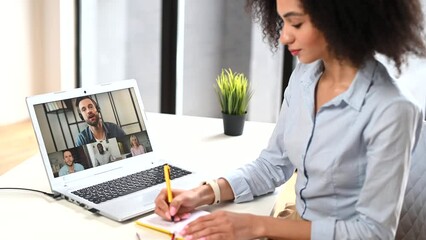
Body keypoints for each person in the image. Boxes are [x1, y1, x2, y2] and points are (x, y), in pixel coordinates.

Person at [154, 0, 426, 239]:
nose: (283, 36)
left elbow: (372, 234)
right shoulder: (305, 77)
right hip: (293, 225)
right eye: (282, 20)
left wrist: (256, 226)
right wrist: (203, 194)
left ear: (339, 18)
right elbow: (272, 165)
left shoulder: (392, 109)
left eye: (295, 23)